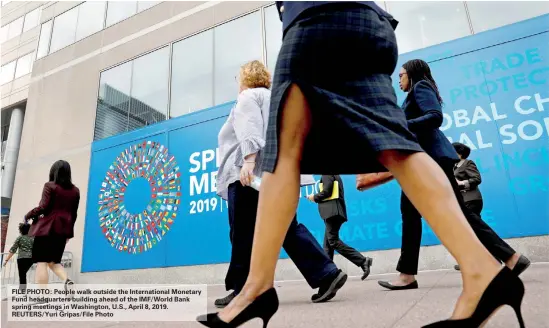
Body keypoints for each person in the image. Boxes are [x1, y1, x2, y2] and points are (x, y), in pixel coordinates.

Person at [197, 3, 526, 328]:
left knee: (284, 151)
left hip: (314, 19)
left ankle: (255, 289)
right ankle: (484, 271)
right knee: (397, 147)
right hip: (368, 23)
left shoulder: (248, 97)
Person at [377, 59, 530, 292]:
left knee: (447, 212)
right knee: (414, 213)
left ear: (412, 74)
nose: (399, 80)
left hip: (429, 159)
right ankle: (407, 274)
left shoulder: (421, 87)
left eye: (401, 75)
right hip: (422, 160)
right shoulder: (415, 93)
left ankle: (510, 257)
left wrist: (402, 123)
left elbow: (435, 116)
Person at [214, 60, 348, 309]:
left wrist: (248, 161)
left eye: (238, 79)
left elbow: (249, 129)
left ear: (245, 78)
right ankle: (327, 273)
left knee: (242, 232)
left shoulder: (247, 98)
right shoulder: (278, 98)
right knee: (286, 227)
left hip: (249, 177)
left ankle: (243, 289)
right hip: (279, 172)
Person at [451, 142, 530, 273]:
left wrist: (461, 183)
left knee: (473, 230)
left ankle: (476, 259)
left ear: (459, 153)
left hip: (472, 199)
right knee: (475, 231)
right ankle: (491, 259)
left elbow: (476, 178)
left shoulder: (467, 163)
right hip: (463, 201)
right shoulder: (454, 167)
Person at [25, 160, 79, 289]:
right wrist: (68, 234)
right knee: (54, 262)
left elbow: (43, 207)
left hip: (47, 230)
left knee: (41, 262)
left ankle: (42, 296)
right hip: (62, 231)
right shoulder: (75, 191)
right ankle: (67, 281)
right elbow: (74, 214)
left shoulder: (50, 186)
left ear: (53, 172)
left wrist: (28, 215)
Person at [307, 175, 373, 279]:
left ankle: (363, 260)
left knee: (333, 241)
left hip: (332, 213)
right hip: (334, 212)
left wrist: (314, 197)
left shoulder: (327, 173)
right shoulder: (333, 174)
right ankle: (329, 273)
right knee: (328, 245)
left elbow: (327, 192)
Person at [3, 223, 34, 291]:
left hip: (21, 259)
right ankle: (23, 289)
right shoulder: (33, 238)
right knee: (23, 274)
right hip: (31, 259)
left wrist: (6, 260)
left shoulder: (20, 238)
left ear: (21, 230)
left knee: (22, 275)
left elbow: (13, 249)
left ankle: (22, 291)